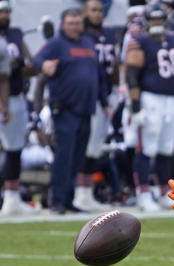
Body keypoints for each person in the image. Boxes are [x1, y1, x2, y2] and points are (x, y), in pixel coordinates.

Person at [125, 3, 174, 212]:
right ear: (147, 20)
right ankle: (143, 193)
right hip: (150, 99)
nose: (157, 22)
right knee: (146, 148)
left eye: (160, 19)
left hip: (171, 99)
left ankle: (163, 190)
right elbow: (132, 76)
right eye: (153, 19)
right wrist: (136, 106)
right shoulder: (139, 41)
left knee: (167, 148)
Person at [34, 8, 103, 214]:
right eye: (71, 23)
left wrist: (104, 101)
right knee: (64, 156)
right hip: (65, 109)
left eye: (78, 22)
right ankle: (57, 201)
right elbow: (38, 59)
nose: (75, 26)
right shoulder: (56, 44)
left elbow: (96, 75)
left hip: (86, 109)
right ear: (63, 24)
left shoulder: (88, 43)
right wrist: (45, 65)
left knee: (78, 157)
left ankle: (69, 200)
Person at [72, 0, 118, 212]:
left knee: (97, 148)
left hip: (106, 95)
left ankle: (86, 192)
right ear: (85, 12)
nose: (98, 14)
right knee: (87, 147)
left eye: (100, 10)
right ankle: (81, 193)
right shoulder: (82, 36)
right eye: (93, 10)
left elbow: (114, 64)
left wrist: (116, 89)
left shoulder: (109, 34)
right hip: (90, 98)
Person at [0, 0, 34, 215]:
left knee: (14, 149)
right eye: (1, 11)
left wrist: (21, 65)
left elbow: (31, 66)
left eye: (7, 11)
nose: (4, 15)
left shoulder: (16, 34)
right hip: (4, 99)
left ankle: (12, 198)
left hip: (14, 97)